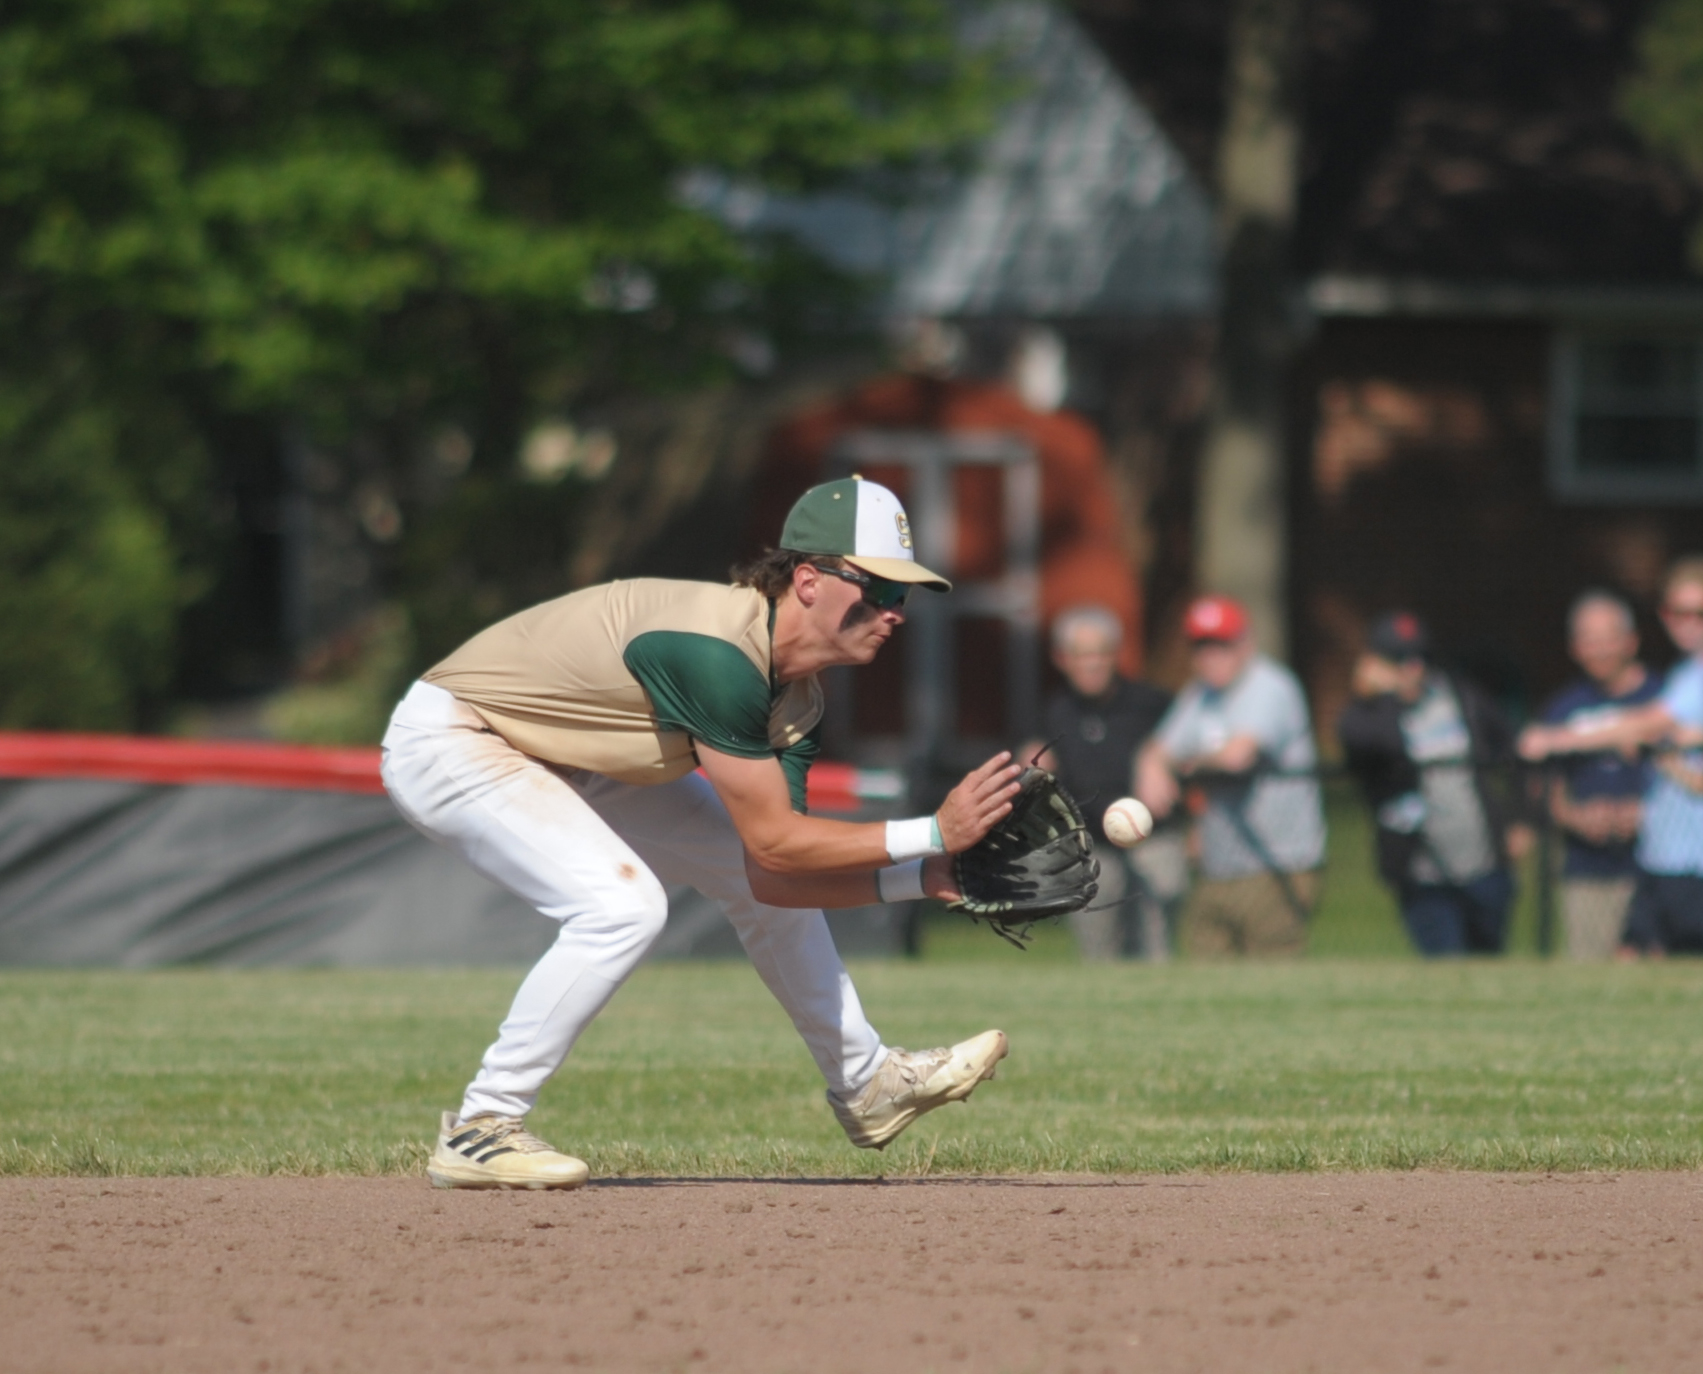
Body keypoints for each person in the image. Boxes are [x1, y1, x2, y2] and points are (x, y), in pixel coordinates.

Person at [383, 477, 1021, 1190]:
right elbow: (776, 845)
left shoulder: (796, 698)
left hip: (566, 754)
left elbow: (771, 876)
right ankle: (482, 1124)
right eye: (877, 589)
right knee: (622, 908)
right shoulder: (718, 655)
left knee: (721, 885)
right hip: (456, 736)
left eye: (902, 595)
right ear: (808, 581)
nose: (894, 611)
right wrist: (934, 831)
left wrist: (923, 877)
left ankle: (867, 1083)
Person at [1136, 595, 1326, 959]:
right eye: (1201, 646)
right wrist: (1151, 767)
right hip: (1218, 864)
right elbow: (1157, 748)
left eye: (1221, 645)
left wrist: (1186, 765)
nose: (1210, 656)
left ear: (1245, 643)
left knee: (1271, 977)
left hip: (1277, 864)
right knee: (1206, 972)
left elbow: (1238, 756)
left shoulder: (1270, 686)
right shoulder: (1201, 695)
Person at [1338, 612, 1528, 957]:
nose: (1412, 669)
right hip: (1422, 872)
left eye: (1419, 657)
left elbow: (1514, 752)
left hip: (1484, 863)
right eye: (1398, 660)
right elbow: (1376, 743)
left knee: (1490, 964)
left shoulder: (1460, 697)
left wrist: (1520, 817)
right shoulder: (1367, 715)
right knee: (1445, 965)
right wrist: (1382, 697)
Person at [1024, 604, 1179, 961]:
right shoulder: (1052, 712)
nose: (1093, 663)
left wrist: (1161, 758)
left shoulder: (1153, 704)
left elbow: (1190, 747)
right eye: (1082, 654)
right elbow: (1028, 757)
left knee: (1156, 952)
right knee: (1098, 955)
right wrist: (1032, 766)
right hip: (1089, 844)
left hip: (1153, 839)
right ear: (1062, 659)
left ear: (1116, 655)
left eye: (1101, 652)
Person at [1519, 592, 1661, 961]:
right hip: (1586, 869)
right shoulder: (1563, 708)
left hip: (1657, 866)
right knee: (1590, 970)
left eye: (1608, 638)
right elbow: (1544, 786)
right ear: (1575, 648)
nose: (1599, 650)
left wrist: (1648, 814)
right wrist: (1575, 817)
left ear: (1631, 641)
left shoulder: (1663, 699)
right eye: (1589, 640)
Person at [1624, 556, 1703, 957]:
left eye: (1700, 614)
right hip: (1660, 851)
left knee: (1687, 965)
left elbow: (1645, 724)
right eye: (1678, 613)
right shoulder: (1682, 674)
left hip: (1697, 855)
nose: (1688, 624)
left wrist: (1560, 736)